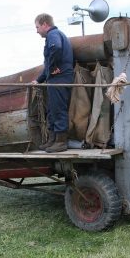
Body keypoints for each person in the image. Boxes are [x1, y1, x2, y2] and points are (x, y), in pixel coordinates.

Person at [31, 13, 74, 153]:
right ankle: (52, 140)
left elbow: (56, 48)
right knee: (52, 109)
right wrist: (38, 80)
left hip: (60, 79)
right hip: (55, 79)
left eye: (37, 27)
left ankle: (61, 142)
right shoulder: (54, 35)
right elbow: (48, 65)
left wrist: (54, 67)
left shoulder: (53, 34)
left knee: (58, 109)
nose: (36, 31)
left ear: (45, 24)